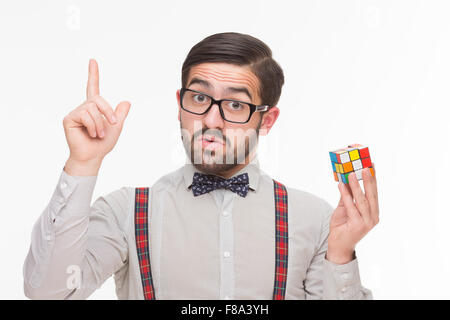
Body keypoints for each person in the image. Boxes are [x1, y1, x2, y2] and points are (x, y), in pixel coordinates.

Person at [23, 32, 378, 300]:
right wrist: (83, 163)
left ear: (267, 121)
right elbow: (49, 293)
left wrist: (341, 255)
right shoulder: (126, 212)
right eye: (199, 97)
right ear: (180, 104)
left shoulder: (315, 220)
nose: (211, 119)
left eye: (235, 106)